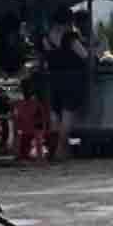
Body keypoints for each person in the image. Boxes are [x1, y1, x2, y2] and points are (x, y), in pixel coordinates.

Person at [41, 12, 91, 164]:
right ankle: (59, 151)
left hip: (54, 79)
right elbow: (85, 56)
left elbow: (44, 58)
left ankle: (56, 149)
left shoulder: (46, 38)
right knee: (67, 115)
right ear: (68, 22)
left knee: (55, 116)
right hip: (71, 79)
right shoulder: (70, 38)